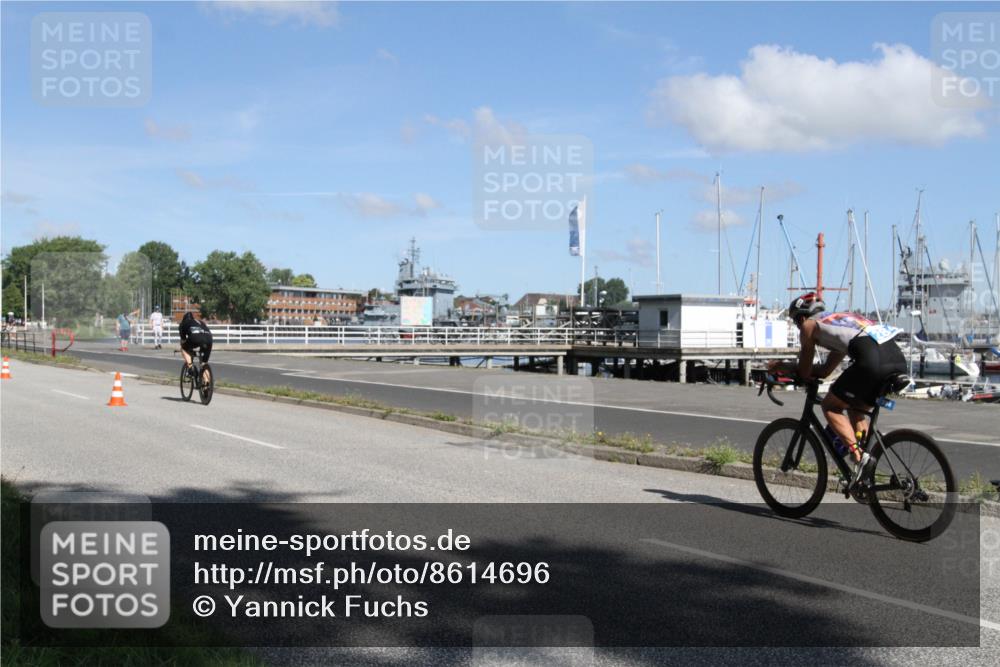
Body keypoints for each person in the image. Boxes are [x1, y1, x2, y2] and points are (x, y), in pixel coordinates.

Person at [774, 292, 907, 488]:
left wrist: (783, 367)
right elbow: (825, 370)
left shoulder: (809, 325)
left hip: (871, 362)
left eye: (795, 322)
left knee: (831, 406)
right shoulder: (840, 322)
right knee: (855, 409)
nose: (798, 326)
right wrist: (803, 371)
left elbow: (804, 371)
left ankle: (858, 457)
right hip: (897, 360)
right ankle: (865, 471)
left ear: (801, 317)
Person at [178, 312, 213, 384]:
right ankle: (207, 384)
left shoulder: (184, 324)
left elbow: (183, 340)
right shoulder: (200, 322)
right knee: (204, 363)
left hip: (196, 338)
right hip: (209, 339)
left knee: (183, 348)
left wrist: (186, 348)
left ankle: (191, 368)